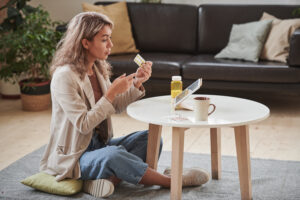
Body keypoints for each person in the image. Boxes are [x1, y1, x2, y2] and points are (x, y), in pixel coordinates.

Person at [39, 12, 210, 198]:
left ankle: (102, 181)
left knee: (150, 139)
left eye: (110, 38)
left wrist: (136, 82)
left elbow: (115, 106)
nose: (110, 45)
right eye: (104, 40)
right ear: (85, 42)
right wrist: (112, 92)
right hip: (76, 155)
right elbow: (83, 124)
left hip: (99, 145)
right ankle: (171, 181)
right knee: (114, 155)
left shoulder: (97, 67)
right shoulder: (64, 76)